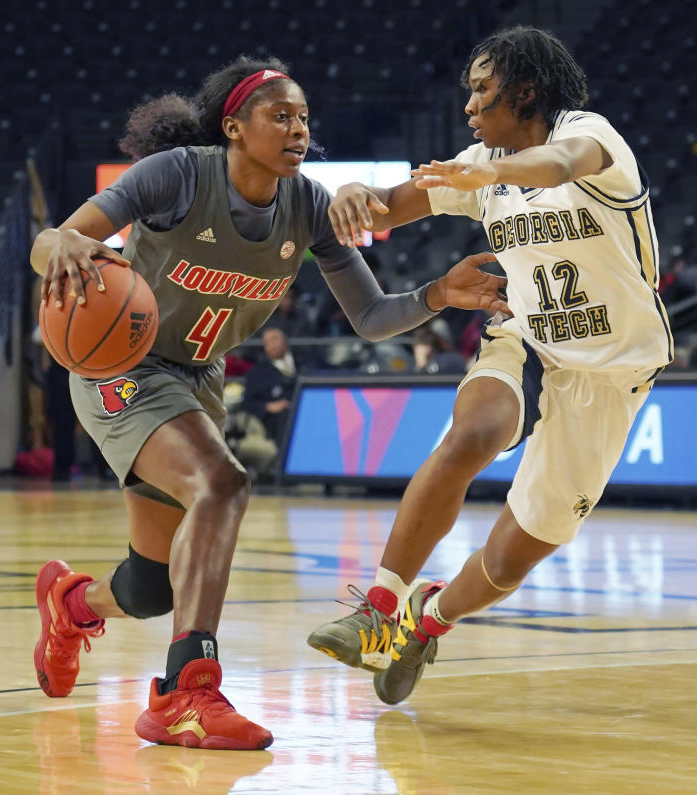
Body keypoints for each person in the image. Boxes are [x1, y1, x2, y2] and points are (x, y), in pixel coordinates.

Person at [29, 57, 506, 750]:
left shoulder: (308, 205)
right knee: (223, 482)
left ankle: (69, 604)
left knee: (150, 587)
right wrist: (63, 243)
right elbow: (53, 241)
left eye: (304, 118)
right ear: (234, 126)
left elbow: (370, 316)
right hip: (121, 366)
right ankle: (186, 692)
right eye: (280, 116)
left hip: (194, 379)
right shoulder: (180, 175)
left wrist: (438, 294)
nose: (298, 129)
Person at [308, 26, 673, 704]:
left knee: (509, 559)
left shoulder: (593, 137)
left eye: (482, 89)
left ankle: (428, 618)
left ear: (525, 88)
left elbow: (562, 163)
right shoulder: (482, 164)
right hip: (527, 339)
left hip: (610, 372)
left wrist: (491, 171)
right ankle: (380, 607)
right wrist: (356, 191)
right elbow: (390, 208)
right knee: (472, 435)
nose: (470, 105)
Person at [242, 326, 302, 448]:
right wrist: (268, 406)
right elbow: (248, 402)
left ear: (285, 340)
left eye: (274, 339)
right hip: (277, 420)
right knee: (284, 417)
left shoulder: (305, 361)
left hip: (306, 410)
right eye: (267, 342)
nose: (271, 345)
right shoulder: (257, 373)